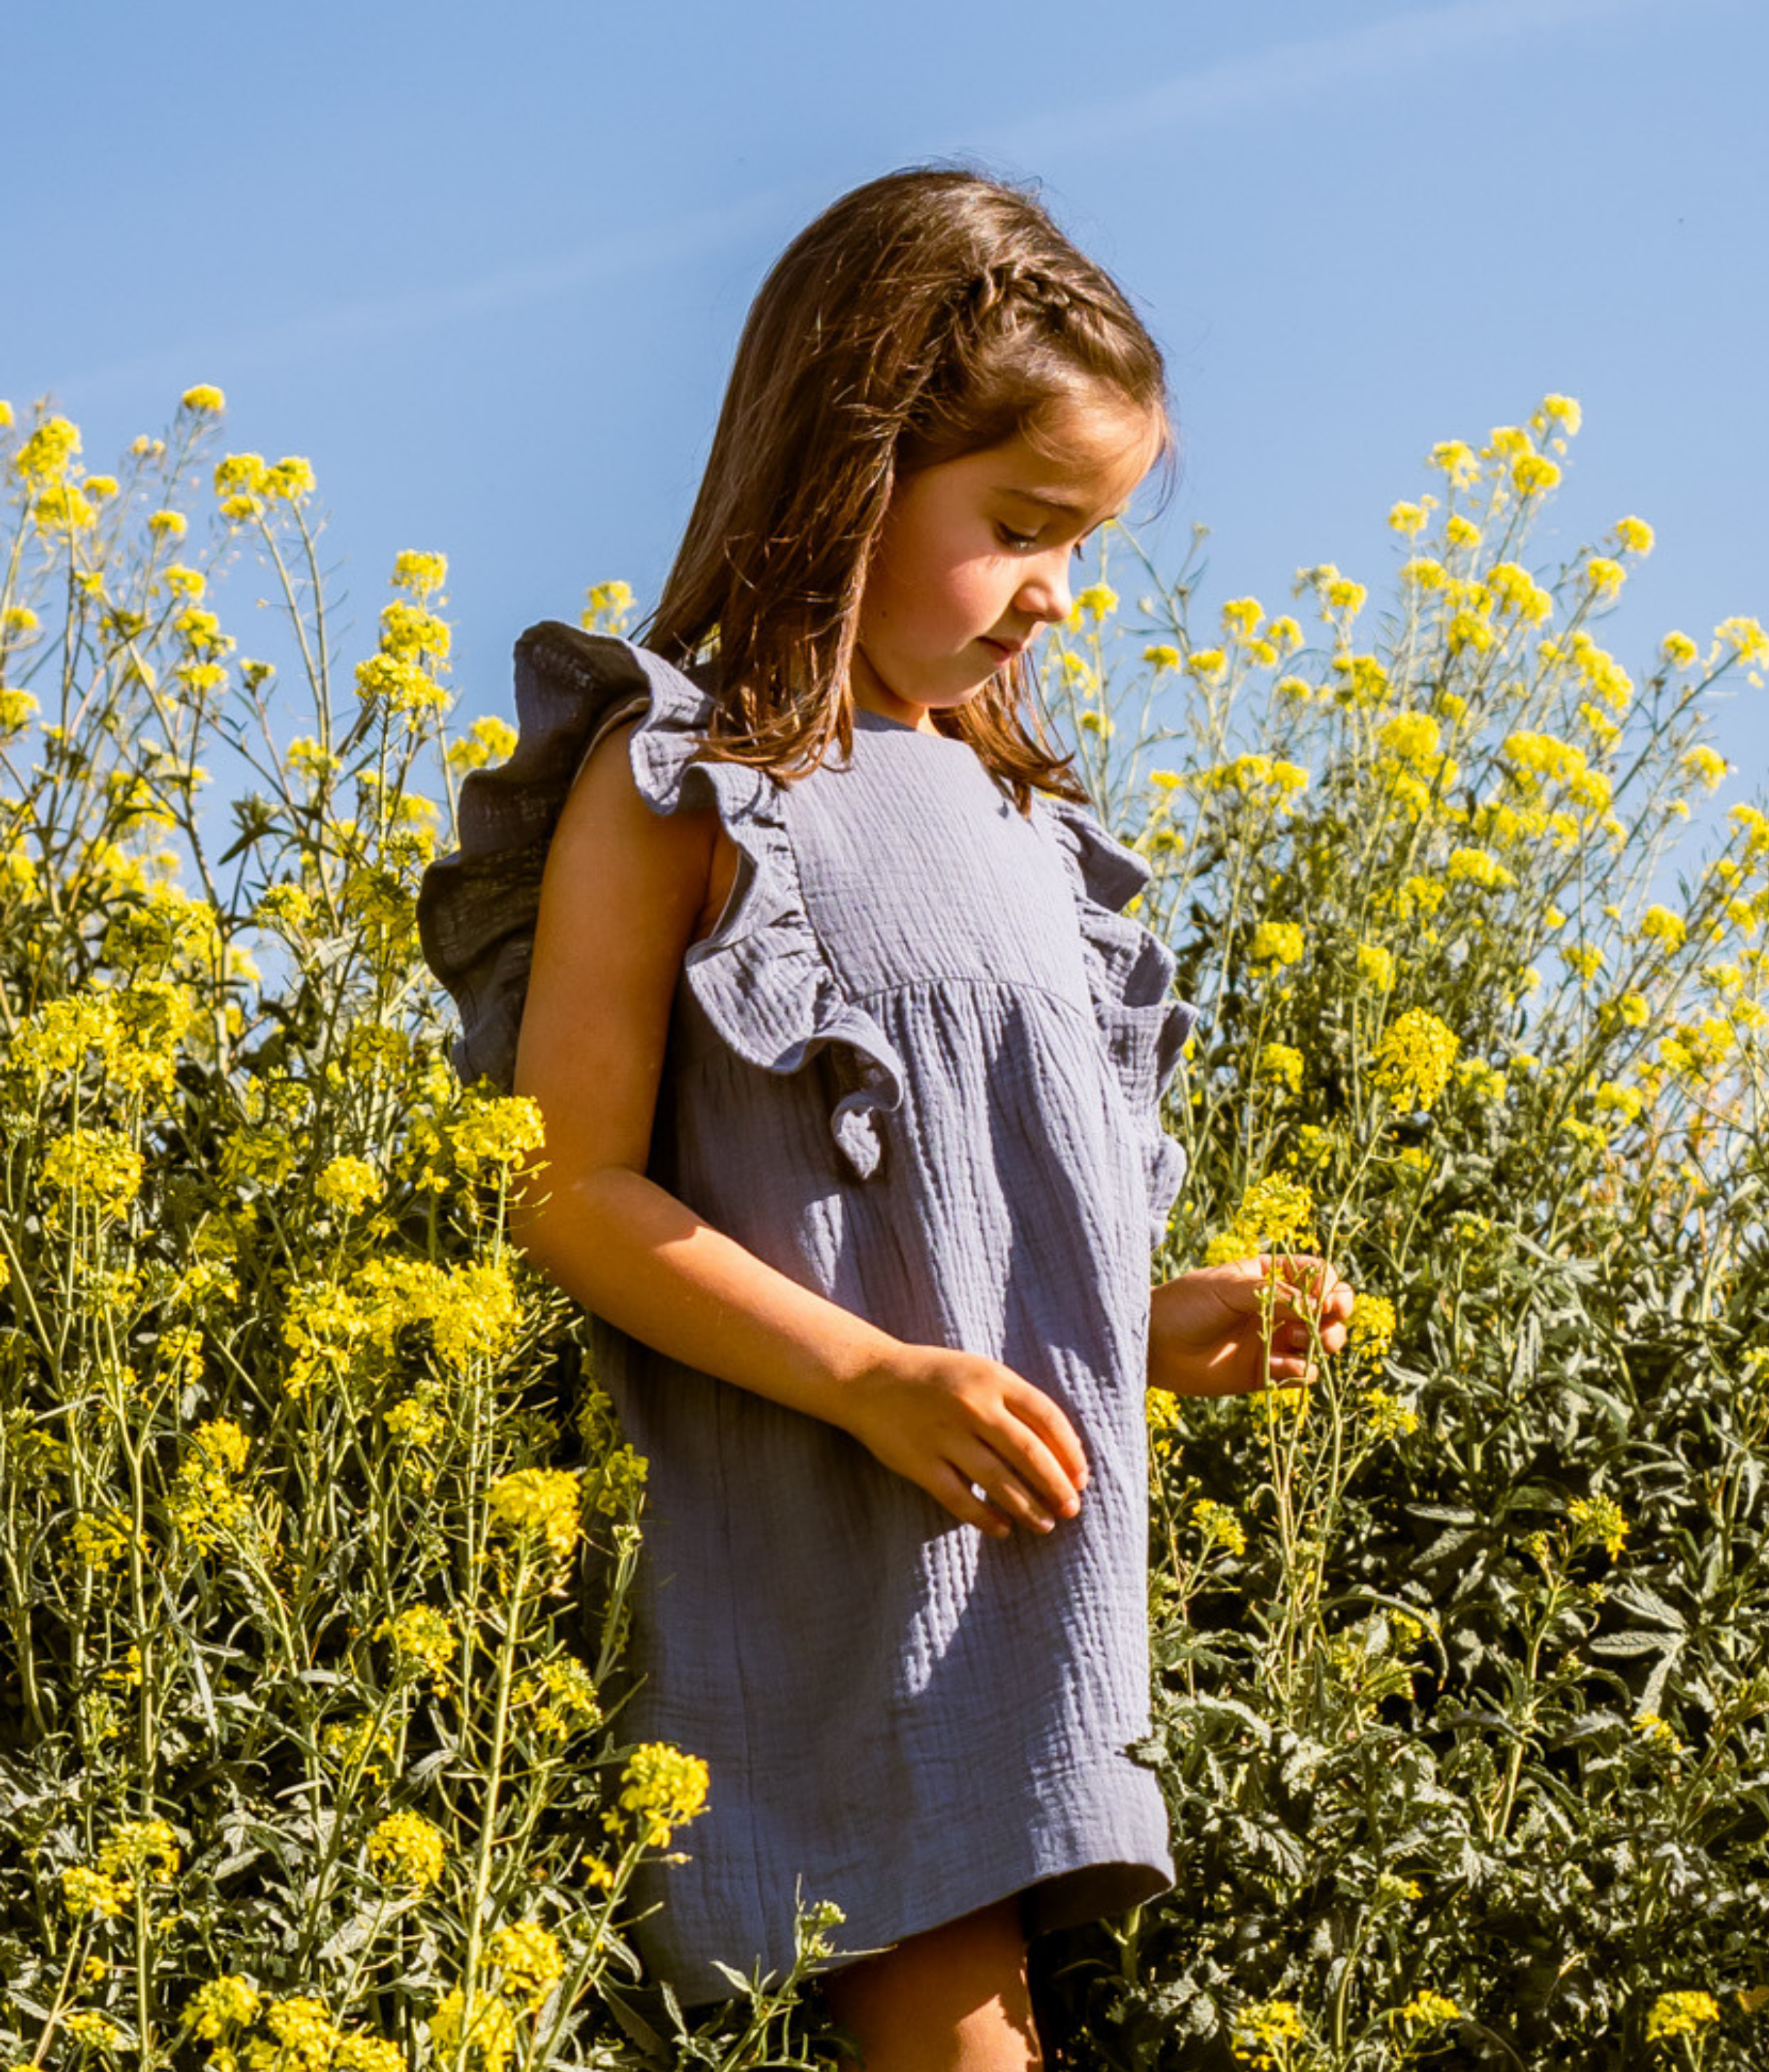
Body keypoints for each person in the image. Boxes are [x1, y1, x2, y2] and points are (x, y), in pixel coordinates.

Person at [417, 165, 1353, 2071]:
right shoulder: (685, 778)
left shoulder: (1026, 822)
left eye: (1080, 546)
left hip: (1014, 1538)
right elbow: (571, 1186)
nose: (1051, 594)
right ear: (852, 469)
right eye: (1018, 526)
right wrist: (865, 1378)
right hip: (836, 1538)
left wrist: (1161, 1325)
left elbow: (980, 1227)